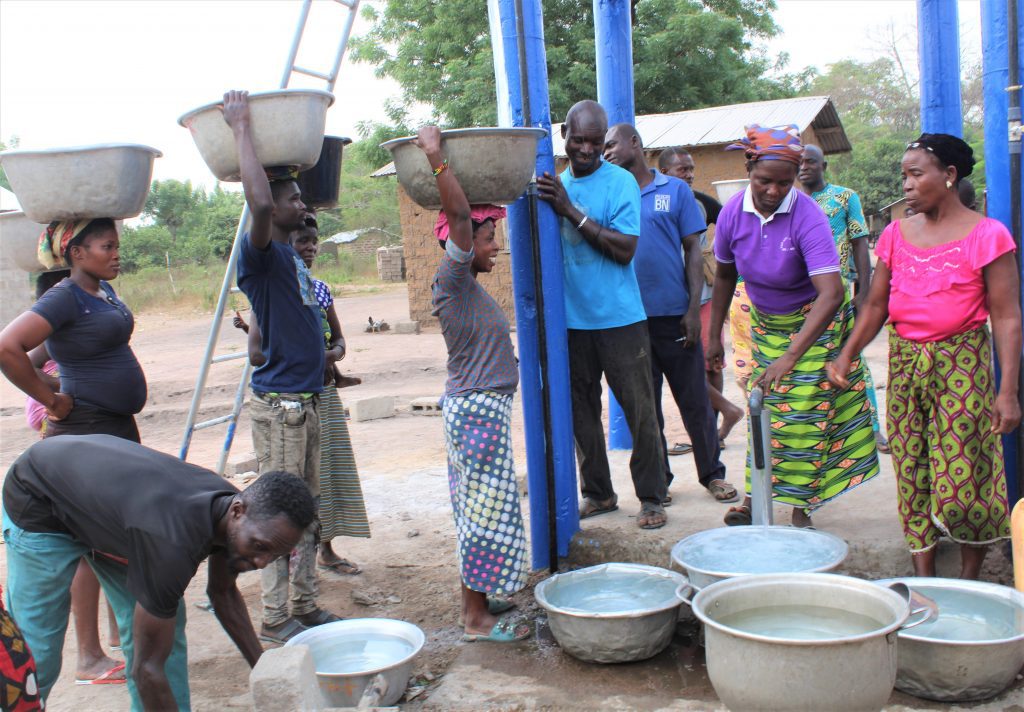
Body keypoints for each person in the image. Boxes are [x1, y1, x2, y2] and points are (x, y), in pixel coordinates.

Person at [2, 434, 314, 709]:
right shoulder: (172, 544)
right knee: (36, 651)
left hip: (115, 513)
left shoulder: (240, 515)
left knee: (164, 629)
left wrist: (263, 669)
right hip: (40, 496)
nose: (262, 562)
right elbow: (144, 669)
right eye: (260, 547)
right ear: (236, 512)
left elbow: (222, 592)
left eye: (276, 555)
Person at [828, 134, 1019, 578]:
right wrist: (847, 354)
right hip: (906, 362)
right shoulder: (895, 234)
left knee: (964, 483)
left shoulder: (988, 235)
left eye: (916, 174)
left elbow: (1007, 318)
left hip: (963, 364)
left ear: (949, 176)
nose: (907, 185)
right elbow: (876, 304)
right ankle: (924, 579)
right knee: (912, 471)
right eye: (904, 176)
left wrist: (1007, 390)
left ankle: (969, 581)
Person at [706, 124, 880, 528]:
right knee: (762, 410)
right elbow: (725, 277)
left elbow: (832, 293)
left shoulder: (808, 216)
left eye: (784, 183)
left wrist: (789, 357)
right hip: (767, 325)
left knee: (803, 419)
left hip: (813, 324)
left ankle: (801, 509)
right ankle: (755, 497)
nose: (773, 191)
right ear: (749, 168)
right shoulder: (733, 211)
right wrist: (714, 335)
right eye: (764, 181)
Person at [0, 220, 146, 686]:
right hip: (85, 436)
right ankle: (88, 657)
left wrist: (56, 372)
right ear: (77, 252)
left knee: (114, 546)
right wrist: (51, 397)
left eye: (117, 245)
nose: (117, 254)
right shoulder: (65, 295)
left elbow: (50, 344)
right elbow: (8, 347)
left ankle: (114, 642)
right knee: (88, 546)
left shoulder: (100, 292)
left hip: (113, 432)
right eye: (107, 246)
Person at [224, 89, 337, 642]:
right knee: (274, 518)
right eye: (293, 200)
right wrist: (241, 127)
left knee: (307, 512)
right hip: (283, 410)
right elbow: (262, 205)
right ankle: (273, 618)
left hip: (306, 404)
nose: (302, 207)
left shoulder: (292, 259)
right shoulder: (260, 256)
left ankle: (306, 603)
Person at [415, 125, 530, 642]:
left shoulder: (471, 291)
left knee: (482, 508)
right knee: (483, 513)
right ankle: (474, 618)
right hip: (476, 413)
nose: (496, 248)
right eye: (490, 239)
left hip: (483, 411)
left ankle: (481, 598)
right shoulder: (451, 282)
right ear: (463, 242)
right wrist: (437, 158)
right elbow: (460, 216)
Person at [538, 100, 668, 529]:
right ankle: (598, 493)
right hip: (572, 325)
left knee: (639, 411)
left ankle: (651, 497)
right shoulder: (553, 186)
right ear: (564, 137)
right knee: (581, 415)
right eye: (579, 140)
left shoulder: (620, 183)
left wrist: (571, 211)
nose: (587, 149)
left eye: (596, 141)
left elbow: (623, 249)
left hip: (621, 320)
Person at [604, 124, 738, 504]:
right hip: (630, 321)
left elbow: (693, 251)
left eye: (612, 144)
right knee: (646, 409)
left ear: (635, 143)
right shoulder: (614, 192)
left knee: (694, 399)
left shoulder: (675, 191)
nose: (606, 151)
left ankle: (712, 474)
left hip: (674, 317)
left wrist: (693, 310)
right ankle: (658, 481)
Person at [235, 216, 371, 575]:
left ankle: (322, 552)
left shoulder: (319, 290)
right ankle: (286, 579)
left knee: (325, 478)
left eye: (313, 241)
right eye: (301, 242)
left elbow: (339, 341)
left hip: (321, 392)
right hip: (292, 394)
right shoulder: (275, 292)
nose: (309, 248)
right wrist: (303, 354)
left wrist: (329, 355)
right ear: (285, 249)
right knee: (289, 491)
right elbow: (256, 355)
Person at [799, 144, 890, 454]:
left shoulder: (844, 197)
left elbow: (860, 243)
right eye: (800, 163)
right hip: (802, 294)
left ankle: (873, 426)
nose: (804, 167)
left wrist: (865, 291)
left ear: (823, 164)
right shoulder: (793, 200)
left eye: (810, 161)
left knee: (852, 356)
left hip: (837, 289)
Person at [658, 147, 744, 450]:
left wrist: (723, 256)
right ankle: (722, 416)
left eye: (692, 168)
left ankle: (715, 425)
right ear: (665, 173)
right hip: (673, 297)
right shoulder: (658, 201)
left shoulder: (700, 202)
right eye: (683, 169)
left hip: (704, 295)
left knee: (710, 364)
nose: (690, 174)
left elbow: (732, 223)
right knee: (687, 367)